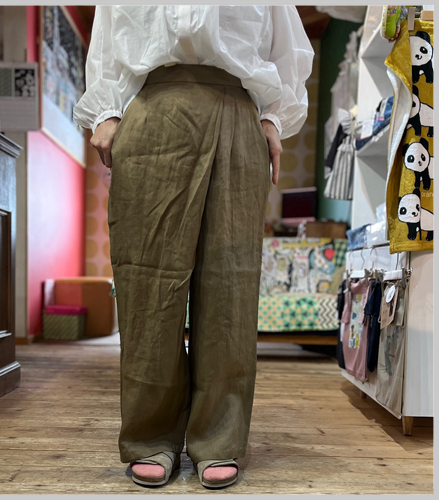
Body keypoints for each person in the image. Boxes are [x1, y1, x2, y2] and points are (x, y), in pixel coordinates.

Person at [73, 5, 314, 490]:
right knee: (147, 284)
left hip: (237, 111)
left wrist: (272, 116)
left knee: (231, 285)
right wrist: (105, 109)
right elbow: (109, 32)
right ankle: (149, 434)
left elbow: (287, 43)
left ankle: (219, 437)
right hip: (151, 107)